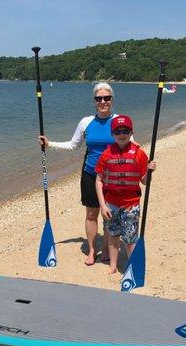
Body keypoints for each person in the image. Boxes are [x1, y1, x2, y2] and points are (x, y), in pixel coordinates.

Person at [38, 82, 118, 265]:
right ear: (94, 101)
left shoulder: (119, 121)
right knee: (91, 214)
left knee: (110, 215)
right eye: (99, 98)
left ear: (112, 99)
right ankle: (91, 250)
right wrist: (50, 144)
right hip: (90, 174)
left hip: (113, 176)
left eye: (107, 98)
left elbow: (131, 145)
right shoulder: (86, 122)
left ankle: (106, 248)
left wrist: (146, 164)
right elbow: (74, 145)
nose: (103, 101)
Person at [95, 115, 156, 274]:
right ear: (112, 133)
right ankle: (113, 265)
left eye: (125, 131)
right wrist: (102, 205)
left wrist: (149, 171)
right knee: (113, 235)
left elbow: (144, 181)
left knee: (130, 238)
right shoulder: (106, 154)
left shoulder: (139, 154)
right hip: (110, 205)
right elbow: (99, 180)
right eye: (118, 131)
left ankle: (133, 266)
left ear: (131, 132)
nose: (122, 134)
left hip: (131, 205)